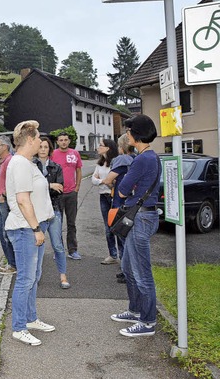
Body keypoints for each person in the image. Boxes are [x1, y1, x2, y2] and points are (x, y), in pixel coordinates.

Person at [110, 115, 162, 337]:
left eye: (129, 130)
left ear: (137, 133)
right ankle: (135, 310)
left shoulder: (142, 159)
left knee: (141, 273)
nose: (127, 134)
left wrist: (126, 188)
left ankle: (148, 322)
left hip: (140, 219)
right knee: (129, 268)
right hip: (141, 216)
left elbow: (122, 190)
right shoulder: (151, 157)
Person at [6, 120, 56, 346]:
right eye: (37, 139)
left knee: (33, 277)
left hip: (33, 227)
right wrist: (36, 228)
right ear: (29, 140)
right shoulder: (20, 164)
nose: (40, 142)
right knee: (25, 279)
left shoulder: (28, 163)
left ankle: (30, 318)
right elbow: (23, 200)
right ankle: (19, 327)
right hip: (25, 228)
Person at [34, 137, 70, 289]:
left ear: (50, 149)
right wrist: (49, 185)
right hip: (37, 211)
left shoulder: (56, 167)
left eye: (45, 147)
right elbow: (31, 188)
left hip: (54, 210)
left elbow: (60, 189)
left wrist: (45, 187)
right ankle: (36, 277)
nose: (42, 149)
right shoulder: (31, 166)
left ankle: (63, 277)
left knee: (58, 245)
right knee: (38, 246)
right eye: (40, 146)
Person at [101, 134, 135, 283]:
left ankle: (126, 270)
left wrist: (111, 183)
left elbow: (108, 180)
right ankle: (129, 269)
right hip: (133, 203)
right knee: (130, 238)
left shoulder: (121, 159)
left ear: (121, 146)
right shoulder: (136, 158)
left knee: (122, 237)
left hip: (120, 203)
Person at [50, 132, 83, 260]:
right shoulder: (53, 154)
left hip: (71, 193)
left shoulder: (75, 153)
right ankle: (58, 250)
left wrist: (77, 187)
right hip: (57, 194)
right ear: (57, 142)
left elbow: (78, 170)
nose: (63, 142)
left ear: (69, 141)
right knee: (57, 223)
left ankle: (73, 250)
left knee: (71, 223)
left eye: (65, 140)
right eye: (61, 140)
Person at [91, 138, 119, 265]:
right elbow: (93, 180)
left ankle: (123, 256)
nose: (98, 147)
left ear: (108, 148)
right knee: (107, 227)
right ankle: (113, 254)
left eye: (101, 145)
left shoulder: (116, 162)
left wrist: (102, 180)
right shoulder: (100, 164)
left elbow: (115, 182)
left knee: (118, 226)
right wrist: (105, 181)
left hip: (114, 197)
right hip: (103, 196)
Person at [0, 135, 16, 274]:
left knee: (5, 233)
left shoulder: (10, 161)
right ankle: (11, 262)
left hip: (5, 201)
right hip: (2, 201)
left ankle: (13, 264)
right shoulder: (5, 161)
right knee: (1, 233)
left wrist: (4, 195)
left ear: (5, 146)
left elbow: (13, 181)